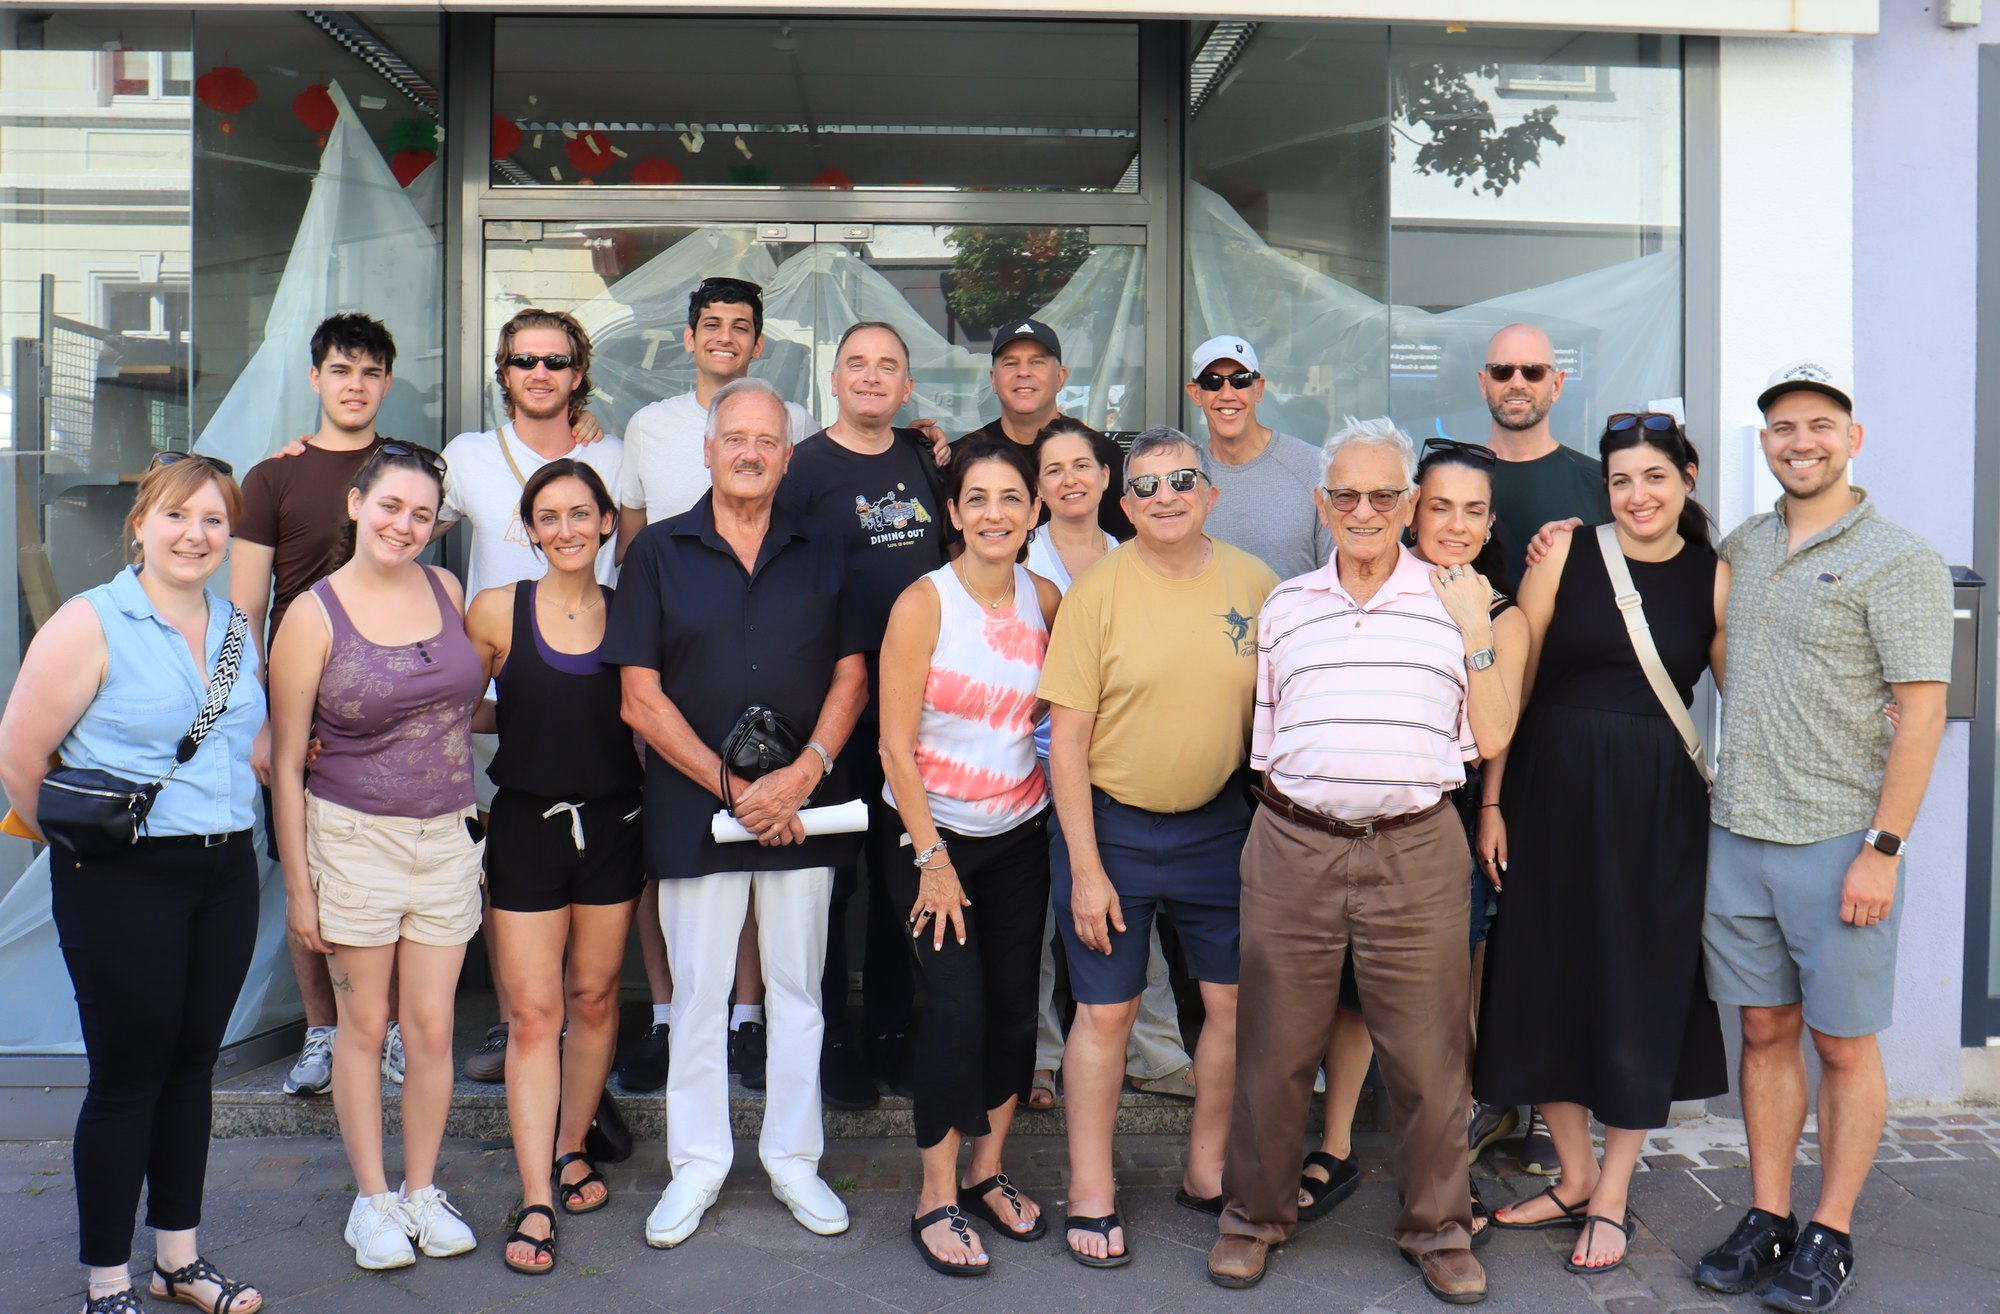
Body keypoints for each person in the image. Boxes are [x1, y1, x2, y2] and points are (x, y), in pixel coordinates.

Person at [1207, 418, 1507, 1305]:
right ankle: (1252, 1219)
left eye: (1383, 495)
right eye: (1346, 494)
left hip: (1416, 846)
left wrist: (1475, 627)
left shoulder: (1456, 601)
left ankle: (1440, 1230)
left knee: (1428, 1058)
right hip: (1292, 842)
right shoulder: (1286, 605)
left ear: (1409, 505)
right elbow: (1266, 738)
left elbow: (1491, 735)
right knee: (1273, 1050)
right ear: (1321, 503)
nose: (1364, 510)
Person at [1690, 363, 1950, 1313]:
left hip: (1841, 841)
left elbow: (1922, 713)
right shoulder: (1745, 545)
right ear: (1765, 442)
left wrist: (1884, 848)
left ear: (1852, 438)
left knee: (1842, 1045)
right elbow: (1723, 647)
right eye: (1783, 427)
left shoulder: (1899, 557)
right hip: (1739, 831)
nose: (1801, 441)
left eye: (1819, 424)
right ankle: (1769, 1215)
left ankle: (1830, 1231)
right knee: (1764, 1031)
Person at [0, 454, 266, 1314]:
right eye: (178, 516)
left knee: (192, 1068)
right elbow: (20, 759)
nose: (196, 535)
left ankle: (177, 1261)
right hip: (121, 879)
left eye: (214, 520)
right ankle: (107, 1280)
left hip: (225, 871)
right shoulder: (89, 623)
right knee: (127, 1077)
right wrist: (90, 851)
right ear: (141, 525)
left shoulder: (235, 626)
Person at [606, 377, 868, 1248]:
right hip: (697, 811)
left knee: (797, 992)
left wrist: (801, 775)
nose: (750, 453)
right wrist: (738, 791)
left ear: (787, 457)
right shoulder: (657, 552)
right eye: (735, 438)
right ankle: (697, 1165)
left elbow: (853, 676)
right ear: (708, 451)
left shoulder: (826, 545)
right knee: (697, 995)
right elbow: (639, 699)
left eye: (766, 440)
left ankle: (794, 1160)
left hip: (804, 808)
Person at [1475, 415, 1729, 1276]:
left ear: (1687, 477)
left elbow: (1748, 693)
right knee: (1543, 974)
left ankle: (1612, 1192)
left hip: (1656, 809)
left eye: (1654, 477)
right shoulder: (1563, 555)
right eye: (1621, 481)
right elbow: (1513, 685)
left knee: (1638, 986)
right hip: (1548, 796)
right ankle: (1574, 1173)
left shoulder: (1716, 577)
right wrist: (1493, 801)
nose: (1638, 495)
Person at [1039, 427, 1278, 1268]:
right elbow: (1066, 743)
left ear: (1210, 494)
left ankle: (1207, 1170)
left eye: (1181, 481)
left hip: (1219, 825)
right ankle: (1091, 1189)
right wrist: (1087, 870)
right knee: (1107, 1011)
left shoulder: (1257, 583)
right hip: (1110, 827)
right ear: (1125, 503)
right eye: (1145, 486)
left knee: (1233, 1006)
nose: (1164, 497)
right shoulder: (1095, 593)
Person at [1297, 437, 1529, 1231]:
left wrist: (1490, 809)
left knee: (1441, 1002)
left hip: (1447, 811)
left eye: (1473, 512)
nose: (1455, 526)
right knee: (1352, 994)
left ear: (1490, 523)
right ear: (1411, 510)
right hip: (1354, 807)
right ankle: (1334, 1147)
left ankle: (1443, 1167)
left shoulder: (1496, 610)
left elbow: (1498, 728)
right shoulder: (1365, 587)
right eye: (1441, 508)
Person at [268, 442, 486, 1271]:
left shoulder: (447, 591)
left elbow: (455, 707)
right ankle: (371, 1200)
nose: (404, 525)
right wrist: (301, 889)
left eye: (422, 515)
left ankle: (421, 1190)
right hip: (354, 839)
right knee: (364, 1026)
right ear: (357, 504)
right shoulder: (313, 615)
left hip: (447, 837)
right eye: (391, 505)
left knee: (431, 1027)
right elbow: (287, 762)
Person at [614, 276, 813, 1095]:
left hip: (776, 682)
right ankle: (671, 1019)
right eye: (711, 324)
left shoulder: (799, 429)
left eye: (741, 325)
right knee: (684, 871)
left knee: (767, 884)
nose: (750, 451)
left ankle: (749, 1019)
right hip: (678, 671)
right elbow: (629, 539)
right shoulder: (649, 433)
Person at [877, 438, 1062, 1275]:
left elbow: (1058, 720)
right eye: (977, 498)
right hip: (930, 837)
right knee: (955, 1010)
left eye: (1011, 498)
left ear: (1034, 512)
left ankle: (988, 1174)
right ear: (952, 512)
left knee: (1014, 1010)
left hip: (1019, 834)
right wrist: (933, 858)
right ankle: (935, 1196)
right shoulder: (924, 604)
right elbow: (893, 747)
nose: (995, 513)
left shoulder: (1046, 598)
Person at [465, 460, 644, 1275]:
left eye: (581, 513)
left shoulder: (635, 612)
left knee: (595, 998)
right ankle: (536, 1192)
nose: (566, 529)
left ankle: (573, 1146)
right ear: (530, 529)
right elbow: (455, 706)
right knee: (535, 1016)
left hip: (614, 824)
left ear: (606, 521)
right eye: (549, 516)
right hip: (527, 826)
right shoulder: (496, 610)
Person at [439, 307, 623, 1085]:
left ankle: (586, 1031)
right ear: (504, 373)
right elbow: (397, 525)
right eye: (524, 361)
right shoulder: (468, 455)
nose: (539, 373)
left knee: (596, 876)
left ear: (578, 374)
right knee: (502, 862)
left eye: (555, 361)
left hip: (591, 690)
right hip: (495, 685)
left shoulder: (612, 453)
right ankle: (518, 1019)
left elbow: (641, 550)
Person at [230, 313, 402, 1099]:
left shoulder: (408, 469)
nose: (354, 385)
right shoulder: (272, 479)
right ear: (315, 379)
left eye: (369, 372)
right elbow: (244, 612)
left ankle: (386, 1028)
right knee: (307, 872)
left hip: (391, 706)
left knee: (390, 871)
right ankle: (322, 1030)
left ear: (387, 383)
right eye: (340, 370)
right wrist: (265, 718)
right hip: (300, 707)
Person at [780, 321, 948, 1107]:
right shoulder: (802, 469)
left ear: (907, 387)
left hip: (917, 709)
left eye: (887, 367)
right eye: (857, 364)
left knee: (897, 877)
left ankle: (888, 1031)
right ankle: (830, 1042)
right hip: (831, 710)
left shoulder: (922, 459)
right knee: (830, 881)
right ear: (835, 380)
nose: (872, 377)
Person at [1468, 320, 1610, 1175]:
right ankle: (1487, 1093)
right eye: (1502, 370)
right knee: (1476, 930)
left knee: (1554, 927)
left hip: (1566, 737)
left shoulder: (1596, 485)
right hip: (1464, 741)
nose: (1516, 382)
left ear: (1557, 383)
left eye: (1532, 370)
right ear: (1483, 382)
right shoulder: (1453, 480)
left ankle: (1557, 1107)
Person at [1023, 418, 1195, 1111]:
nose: (1069, 479)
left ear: (1106, 479)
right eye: (1053, 469)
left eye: (1082, 465)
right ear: (1038, 489)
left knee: (1129, 913)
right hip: (1028, 767)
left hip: (1117, 767)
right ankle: (1037, 1058)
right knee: (1037, 920)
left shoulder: (1137, 554)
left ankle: (1155, 1054)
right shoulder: (1019, 558)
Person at [957, 318, 1130, 539]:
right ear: (993, 379)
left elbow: (1125, 543)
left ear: (1060, 377)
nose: (1023, 372)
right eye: (1010, 363)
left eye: (1037, 362)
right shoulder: (964, 455)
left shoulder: (1101, 453)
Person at [1184, 334, 1330, 580]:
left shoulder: (1313, 467)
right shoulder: (1182, 478)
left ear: (1258, 389)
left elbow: (1337, 576)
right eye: (1212, 382)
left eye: (1240, 380)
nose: (1227, 394)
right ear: (1195, 394)